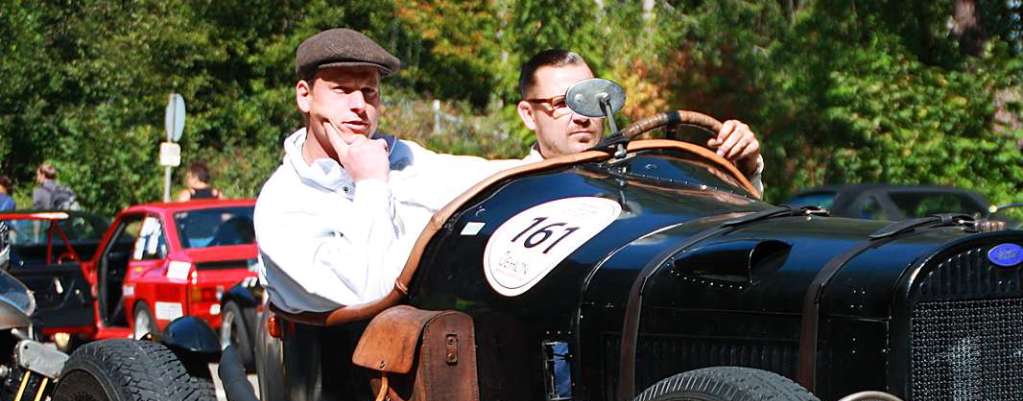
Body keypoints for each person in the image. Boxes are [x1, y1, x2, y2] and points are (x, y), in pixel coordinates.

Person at [255, 28, 516, 313]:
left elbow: (491, 180)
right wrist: (370, 184)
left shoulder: (402, 158)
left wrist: (555, 157)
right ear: (305, 96)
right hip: (336, 354)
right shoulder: (282, 202)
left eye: (369, 92)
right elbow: (369, 292)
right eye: (342, 90)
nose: (359, 105)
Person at [516, 49, 765, 194]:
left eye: (592, 101)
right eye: (562, 103)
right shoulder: (508, 191)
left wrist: (744, 166)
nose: (582, 117)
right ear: (529, 114)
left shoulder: (641, 178)